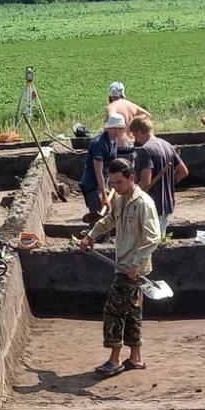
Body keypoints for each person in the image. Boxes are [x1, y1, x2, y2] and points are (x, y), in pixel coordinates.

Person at [78, 157, 161, 376]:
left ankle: (114, 361)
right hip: (123, 265)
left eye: (119, 183)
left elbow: (153, 238)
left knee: (113, 311)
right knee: (132, 312)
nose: (115, 187)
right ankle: (135, 358)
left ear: (131, 178)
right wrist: (90, 236)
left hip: (132, 269)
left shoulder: (144, 203)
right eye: (112, 183)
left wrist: (136, 264)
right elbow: (108, 221)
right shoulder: (121, 200)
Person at [128, 112, 188, 237]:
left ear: (139, 131)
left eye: (134, 134)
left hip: (152, 206)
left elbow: (145, 182)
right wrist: (170, 182)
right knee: (159, 241)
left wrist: (130, 197)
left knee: (148, 244)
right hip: (167, 203)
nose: (135, 138)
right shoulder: (167, 145)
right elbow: (183, 172)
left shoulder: (146, 150)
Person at [79, 88, 135, 217]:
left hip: (104, 182)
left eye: (121, 129)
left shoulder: (113, 141)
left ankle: (105, 235)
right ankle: (95, 235)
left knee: (111, 213)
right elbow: (98, 171)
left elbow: (111, 167)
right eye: (117, 129)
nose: (119, 132)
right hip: (93, 185)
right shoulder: (99, 143)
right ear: (111, 128)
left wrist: (113, 186)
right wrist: (104, 194)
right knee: (99, 212)